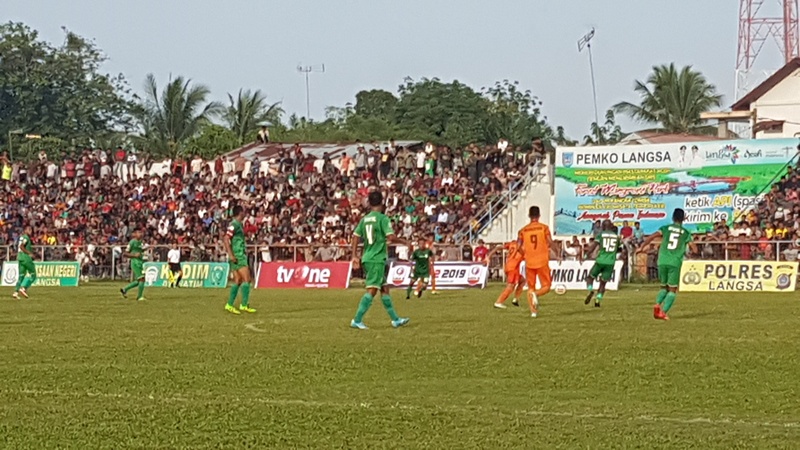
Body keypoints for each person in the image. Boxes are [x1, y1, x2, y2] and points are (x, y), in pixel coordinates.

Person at [350, 190, 411, 330]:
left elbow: (355, 236)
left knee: (384, 288)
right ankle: (357, 319)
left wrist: (354, 255)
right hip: (376, 258)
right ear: (382, 203)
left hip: (368, 257)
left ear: (369, 203)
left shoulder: (365, 219)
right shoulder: (383, 219)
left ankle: (395, 319)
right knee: (372, 290)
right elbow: (391, 237)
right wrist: (404, 242)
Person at [651, 208, 695, 320]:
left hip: (662, 260)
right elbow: (694, 248)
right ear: (683, 218)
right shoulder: (686, 232)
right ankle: (663, 312)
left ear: (673, 217)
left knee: (663, 287)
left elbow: (652, 236)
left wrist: (642, 246)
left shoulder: (665, 228)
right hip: (674, 262)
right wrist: (692, 250)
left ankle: (657, 304)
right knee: (672, 289)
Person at [518, 206, 557, 318]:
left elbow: (518, 246)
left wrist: (524, 254)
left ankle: (533, 312)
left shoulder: (523, 230)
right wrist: (557, 252)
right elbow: (550, 241)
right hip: (542, 261)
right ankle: (537, 294)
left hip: (529, 262)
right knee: (546, 286)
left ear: (529, 216)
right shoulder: (544, 228)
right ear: (539, 216)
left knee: (531, 287)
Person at [223, 205, 255, 314]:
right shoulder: (234, 224)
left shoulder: (238, 225)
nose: (245, 213)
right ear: (240, 212)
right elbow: (226, 239)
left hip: (237, 254)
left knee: (238, 280)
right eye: (243, 211)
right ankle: (244, 305)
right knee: (247, 279)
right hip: (238, 255)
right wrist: (231, 255)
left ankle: (229, 305)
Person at [583, 220, 621, 308]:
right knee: (603, 283)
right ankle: (597, 300)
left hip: (600, 260)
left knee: (590, 277)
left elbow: (593, 246)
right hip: (610, 262)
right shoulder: (616, 237)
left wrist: (586, 255)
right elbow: (619, 249)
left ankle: (590, 290)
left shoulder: (601, 235)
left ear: (603, 226)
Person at [487, 240, 525, 309]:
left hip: (507, 267)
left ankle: (516, 299)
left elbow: (498, 247)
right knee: (510, 287)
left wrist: (489, 256)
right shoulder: (523, 247)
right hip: (513, 268)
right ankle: (498, 302)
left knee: (522, 281)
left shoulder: (512, 243)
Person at [120, 229, 146, 301]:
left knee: (138, 281)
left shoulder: (140, 242)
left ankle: (125, 289)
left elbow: (139, 250)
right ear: (134, 234)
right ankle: (139, 297)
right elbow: (125, 253)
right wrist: (134, 255)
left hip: (140, 262)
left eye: (141, 232)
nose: (140, 234)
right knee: (142, 279)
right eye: (139, 232)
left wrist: (144, 250)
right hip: (135, 262)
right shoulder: (132, 242)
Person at [13, 225, 37, 299]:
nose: (31, 231)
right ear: (26, 230)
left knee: (21, 276)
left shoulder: (21, 237)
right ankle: (24, 288)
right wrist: (29, 253)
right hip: (26, 258)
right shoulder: (26, 237)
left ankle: (16, 292)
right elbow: (21, 246)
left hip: (20, 258)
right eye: (29, 229)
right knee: (33, 275)